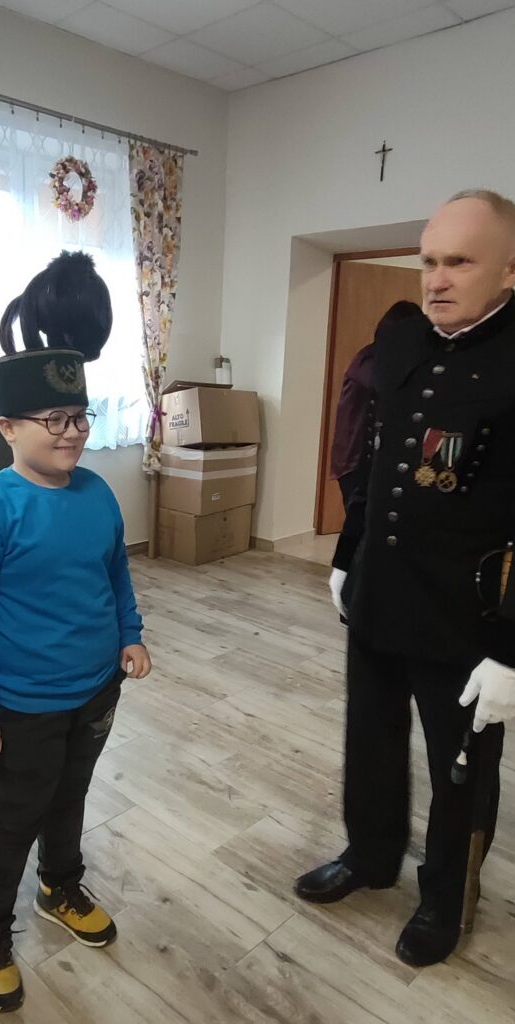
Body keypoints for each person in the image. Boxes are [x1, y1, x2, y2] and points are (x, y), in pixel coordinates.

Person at [296, 190, 515, 967]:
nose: (437, 279)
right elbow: (379, 462)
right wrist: (346, 557)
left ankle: (446, 897)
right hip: (380, 593)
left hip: (467, 618)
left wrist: (512, 651)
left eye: (460, 262)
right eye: (429, 261)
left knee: (462, 771)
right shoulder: (402, 339)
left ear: (509, 269)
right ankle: (370, 853)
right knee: (371, 738)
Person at [0, 346, 151, 1013]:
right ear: (7, 427)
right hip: (23, 705)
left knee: (71, 796)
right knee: (17, 818)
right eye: (53, 419)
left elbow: (115, 572)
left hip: (97, 688)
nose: (72, 432)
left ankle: (59, 887)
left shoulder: (97, 493)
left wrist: (131, 633)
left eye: (80, 417)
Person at [331, 301, 422, 508]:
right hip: (356, 461)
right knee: (362, 518)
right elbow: (387, 387)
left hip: (371, 459)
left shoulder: (381, 358)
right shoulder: (368, 360)